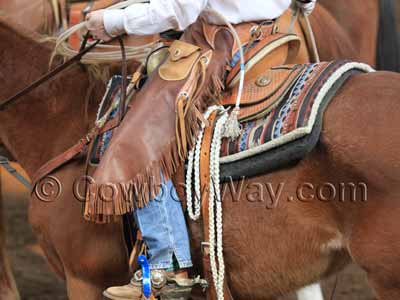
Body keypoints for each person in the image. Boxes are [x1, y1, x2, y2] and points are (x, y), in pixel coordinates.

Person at [85, 1, 316, 299]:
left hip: (218, 44)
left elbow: (178, 10)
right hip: (271, 39)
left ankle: (166, 264)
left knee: (135, 141)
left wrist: (113, 21)